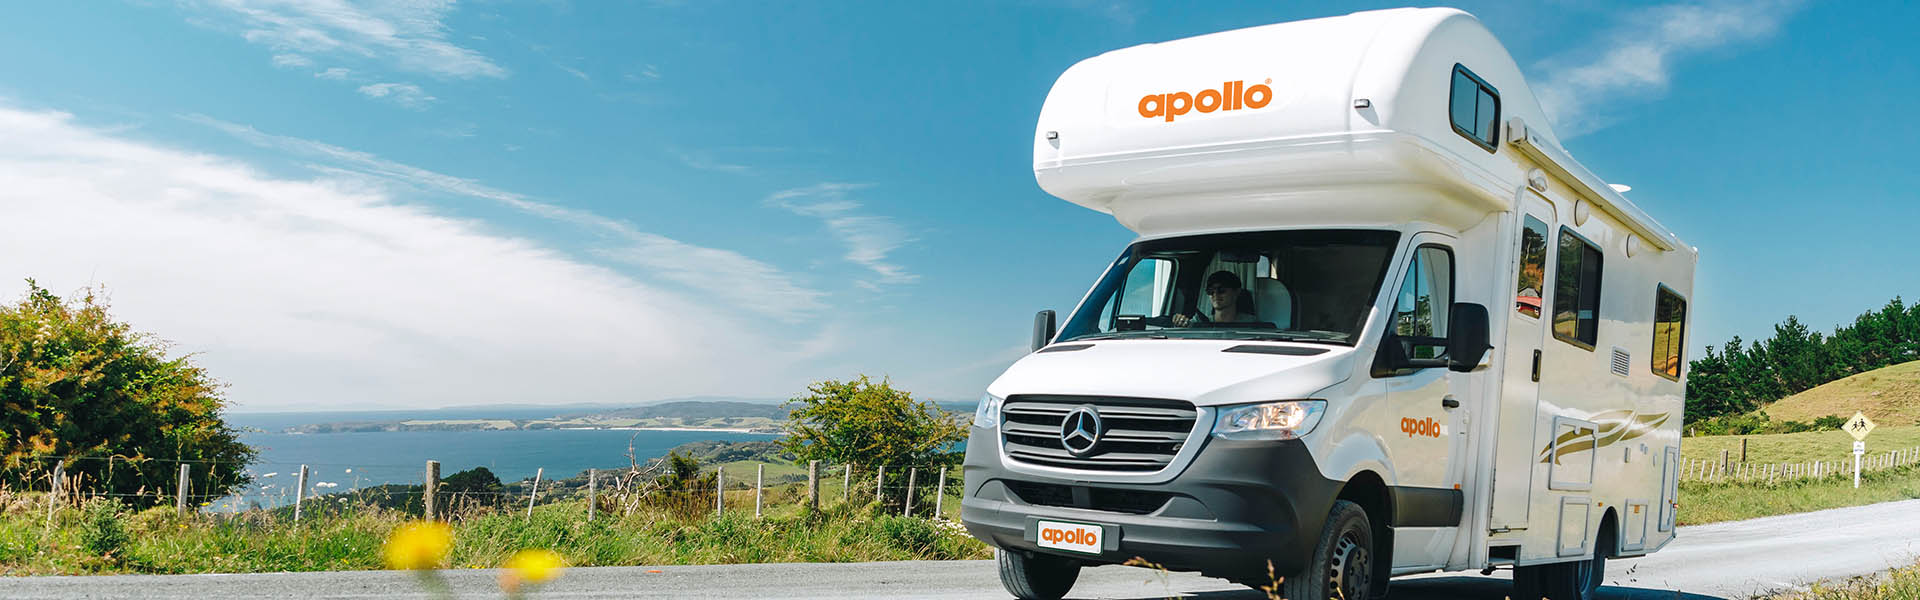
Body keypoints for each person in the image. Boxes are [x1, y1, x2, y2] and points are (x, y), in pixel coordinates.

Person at [1172, 270, 1258, 326]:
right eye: (1210, 291)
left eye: (1221, 290)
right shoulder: (1199, 323)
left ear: (1236, 292)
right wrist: (1179, 323)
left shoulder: (1252, 324)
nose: (1215, 295)